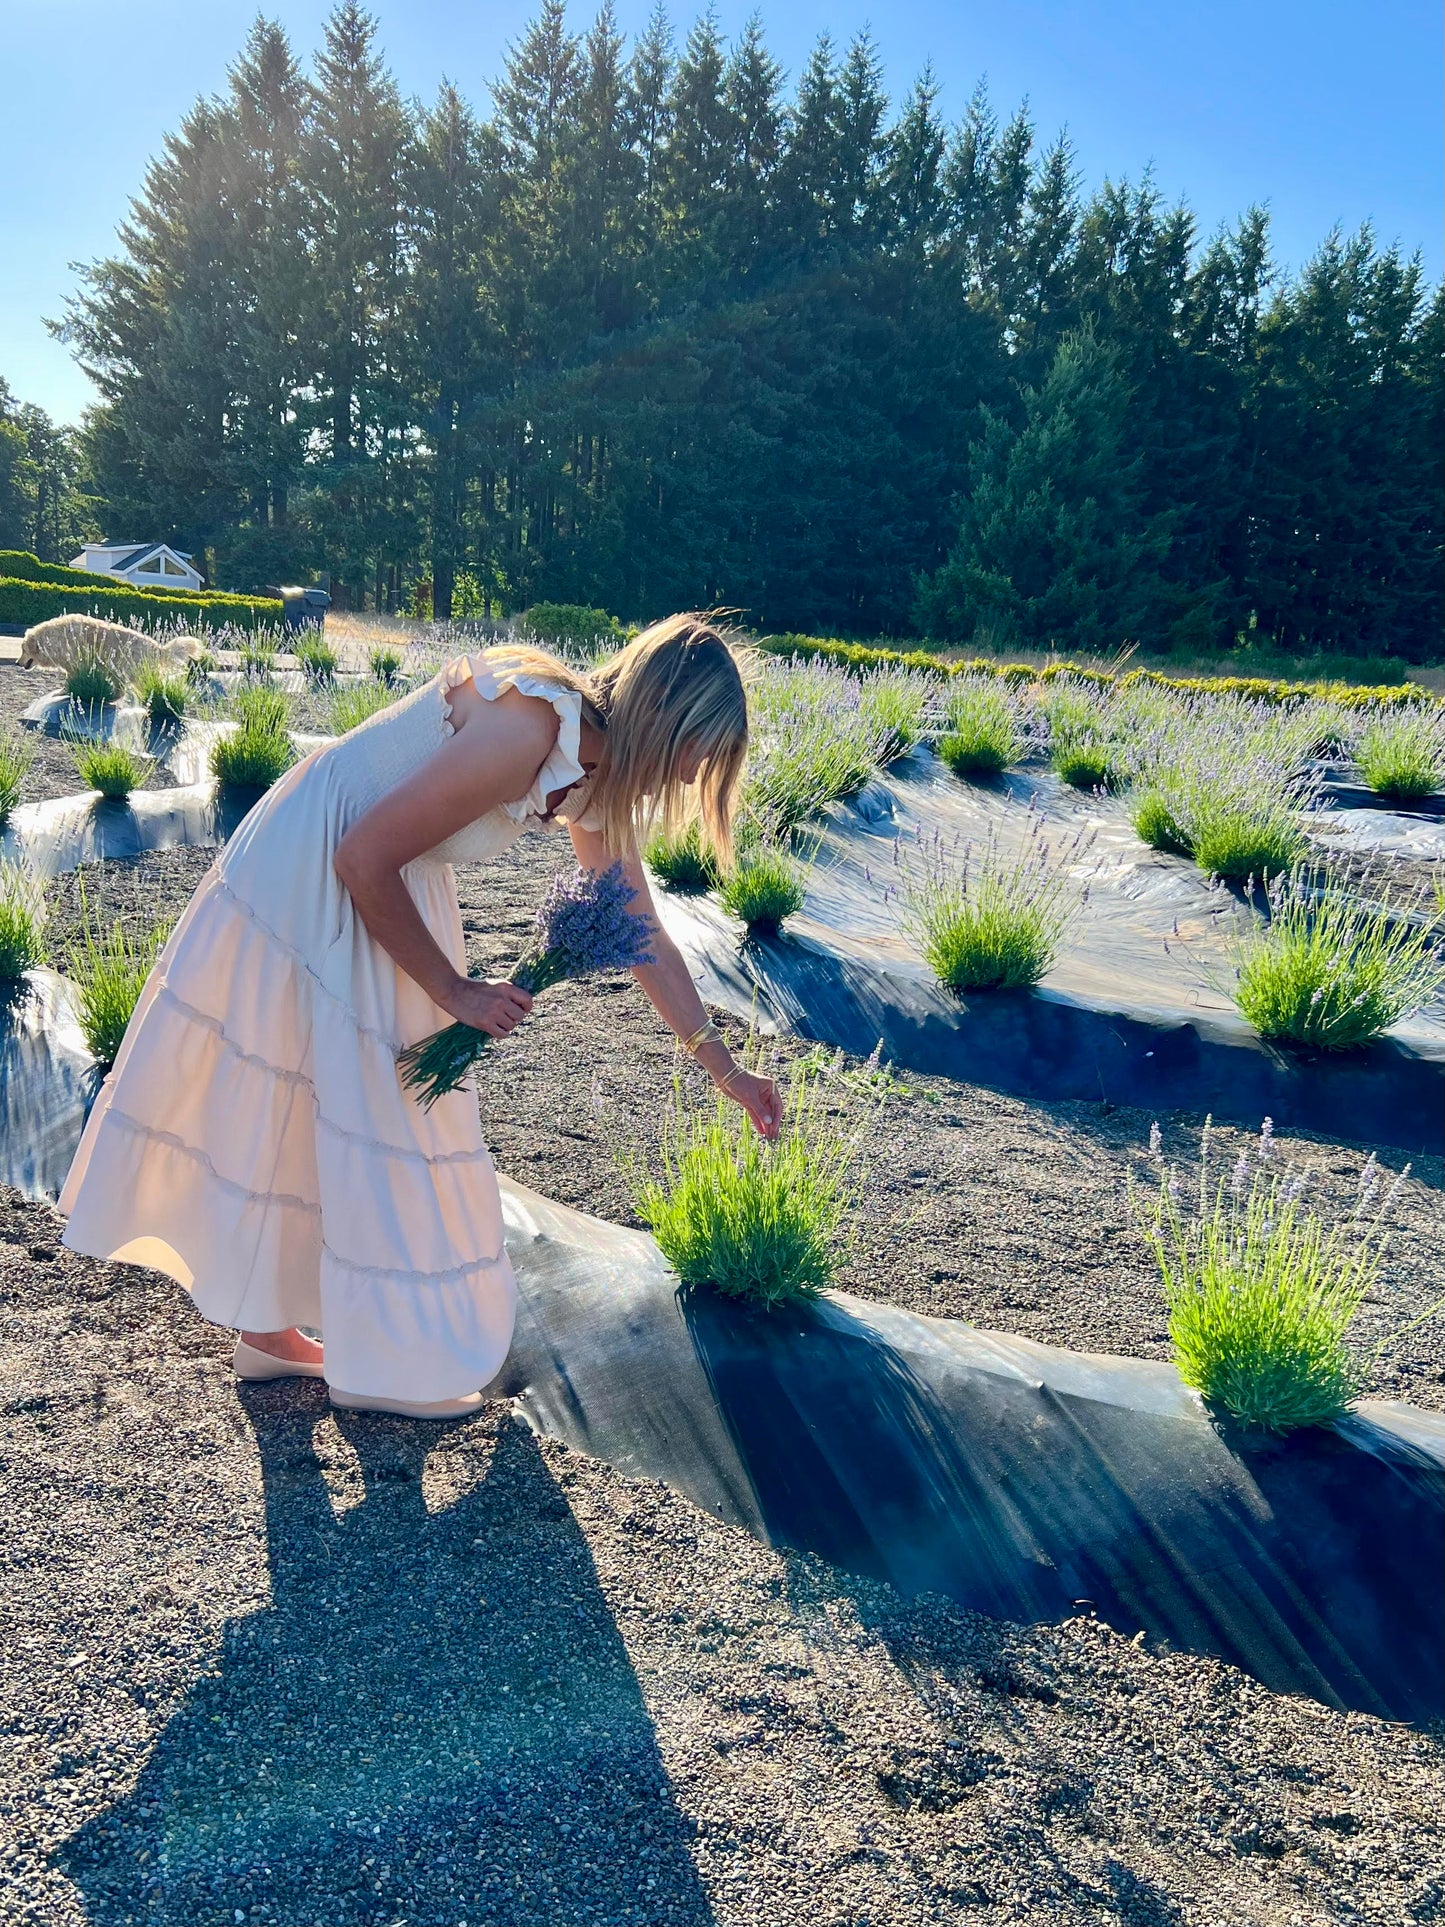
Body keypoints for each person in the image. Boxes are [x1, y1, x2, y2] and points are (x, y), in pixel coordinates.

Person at [59, 614, 779, 1419]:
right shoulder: (530, 725)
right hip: (323, 867)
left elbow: (640, 929)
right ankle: (375, 1368)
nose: (690, 777)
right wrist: (454, 990)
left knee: (347, 1102)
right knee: (350, 1101)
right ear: (664, 714)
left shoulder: (590, 772)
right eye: (697, 752)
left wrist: (726, 1070)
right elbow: (360, 854)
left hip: (389, 882)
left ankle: (271, 1334)